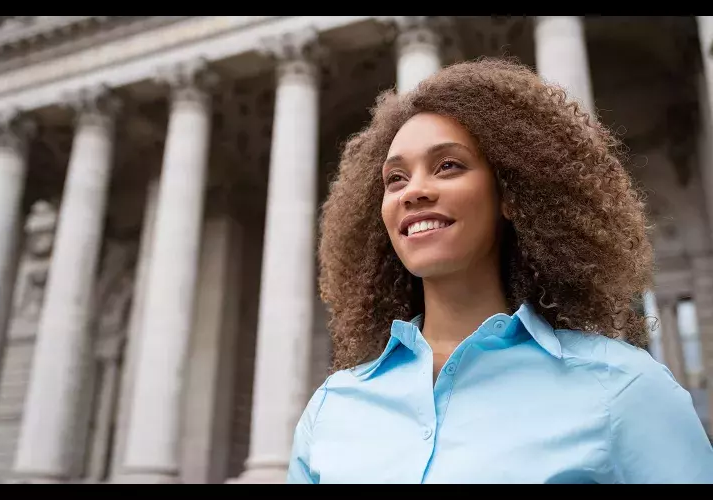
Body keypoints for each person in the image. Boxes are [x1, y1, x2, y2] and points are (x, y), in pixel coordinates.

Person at [286, 59, 713, 484]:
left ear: (510, 194)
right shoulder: (332, 409)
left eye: (448, 165)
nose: (413, 191)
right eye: (395, 178)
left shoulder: (622, 388)